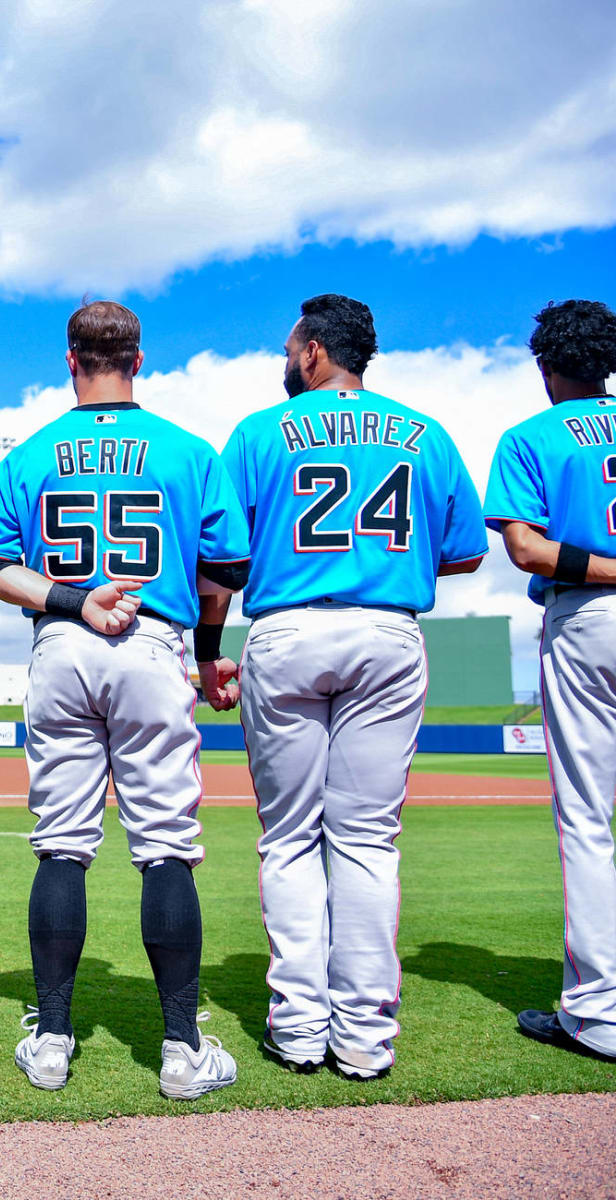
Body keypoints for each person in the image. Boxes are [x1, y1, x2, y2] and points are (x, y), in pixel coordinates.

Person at [0, 299, 249, 1100]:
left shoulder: (30, 452)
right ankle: (181, 1050)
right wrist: (205, 655)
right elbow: (225, 570)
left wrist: (67, 600)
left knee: (62, 844)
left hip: (63, 643)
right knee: (165, 844)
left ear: (70, 360)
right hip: (153, 642)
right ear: (139, 359)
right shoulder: (188, 451)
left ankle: (53, 1040)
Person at [223, 294, 487, 1079]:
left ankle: (299, 1029)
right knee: (368, 841)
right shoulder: (425, 432)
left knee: (291, 837)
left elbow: (223, 555)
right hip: (388, 628)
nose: (286, 355)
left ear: (313, 353)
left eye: (290, 344)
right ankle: (365, 1040)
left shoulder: (257, 431)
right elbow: (468, 553)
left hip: (288, 628)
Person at [483, 298, 616, 1058]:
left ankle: (598, 1013)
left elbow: (528, 551)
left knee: (589, 820)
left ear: (546, 368)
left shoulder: (531, 436)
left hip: (589, 617)